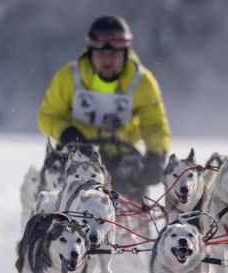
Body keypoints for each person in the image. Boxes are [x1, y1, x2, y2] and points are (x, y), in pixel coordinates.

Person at [38, 15, 172, 200]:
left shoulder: (142, 82)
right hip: (76, 152)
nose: (107, 59)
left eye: (114, 53)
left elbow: (154, 125)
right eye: (101, 53)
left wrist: (155, 155)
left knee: (134, 193)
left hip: (122, 156)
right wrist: (67, 132)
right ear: (90, 51)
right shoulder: (68, 77)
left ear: (125, 52)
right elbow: (48, 116)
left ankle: (134, 223)